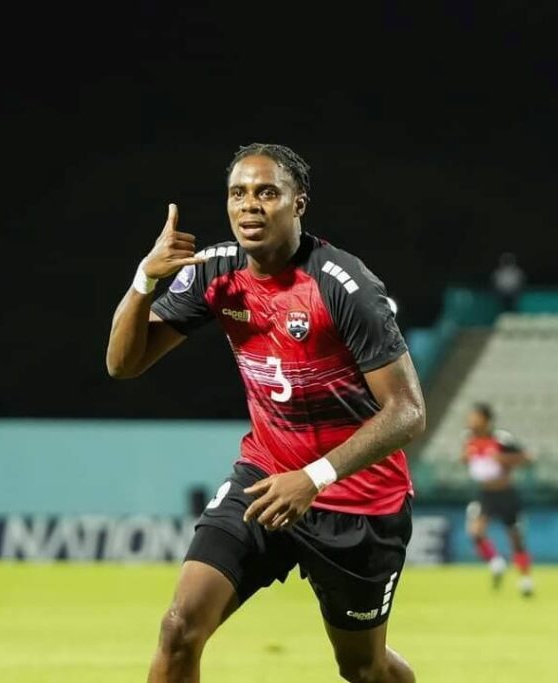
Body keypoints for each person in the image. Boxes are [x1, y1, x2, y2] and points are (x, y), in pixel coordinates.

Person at [106, 143, 426, 683]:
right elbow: (123, 363)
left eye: (266, 192)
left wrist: (314, 478)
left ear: (298, 204)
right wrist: (144, 281)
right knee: (179, 628)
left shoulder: (343, 285)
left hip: (356, 501)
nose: (249, 205)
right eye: (238, 193)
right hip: (264, 480)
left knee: (364, 669)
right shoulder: (215, 272)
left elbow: (408, 412)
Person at [460, 403, 536, 596]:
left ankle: (525, 579)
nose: (470, 421)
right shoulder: (469, 440)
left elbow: (528, 458)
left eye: (474, 416)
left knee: (516, 538)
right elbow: (466, 461)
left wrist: (503, 459)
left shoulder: (501, 439)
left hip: (506, 493)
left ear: (485, 419)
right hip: (485, 494)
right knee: (475, 532)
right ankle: (496, 563)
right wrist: (466, 458)